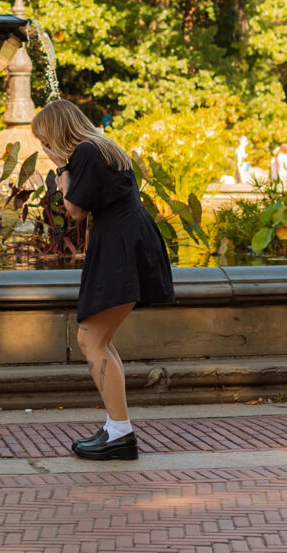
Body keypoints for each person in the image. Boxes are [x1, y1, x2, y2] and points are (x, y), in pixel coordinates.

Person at [31, 99, 174, 461]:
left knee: (90, 339)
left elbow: (75, 211)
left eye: (43, 140)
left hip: (121, 245)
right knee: (100, 340)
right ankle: (116, 428)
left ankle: (120, 432)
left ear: (56, 133)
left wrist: (60, 167)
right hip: (125, 240)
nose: (43, 147)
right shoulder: (99, 147)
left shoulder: (86, 154)